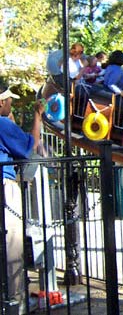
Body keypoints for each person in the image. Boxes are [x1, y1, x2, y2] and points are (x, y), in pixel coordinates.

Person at [0, 84, 44, 314]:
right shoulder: (2, 124)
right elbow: (30, 146)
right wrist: (37, 116)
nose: (11, 104)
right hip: (4, 185)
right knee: (12, 244)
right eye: (8, 101)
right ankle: (14, 300)